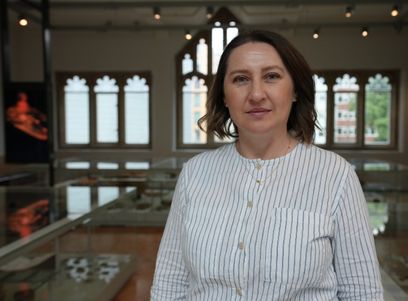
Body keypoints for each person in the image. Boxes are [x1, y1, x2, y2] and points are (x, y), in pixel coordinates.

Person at [151, 30, 383, 300]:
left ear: (295, 90)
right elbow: (170, 283)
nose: (256, 94)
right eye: (241, 79)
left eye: (271, 76)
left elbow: (362, 291)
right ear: (224, 96)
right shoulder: (195, 174)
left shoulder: (335, 175)